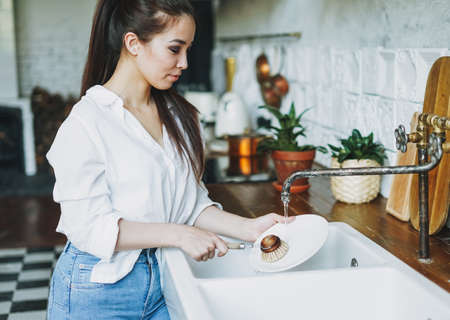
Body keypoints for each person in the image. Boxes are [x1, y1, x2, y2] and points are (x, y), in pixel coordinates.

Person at [46, 0, 294, 319]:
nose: (185, 62)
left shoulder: (179, 116)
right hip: (98, 289)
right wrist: (178, 234)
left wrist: (250, 228)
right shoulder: (86, 123)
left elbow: (189, 205)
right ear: (134, 43)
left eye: (188, 49)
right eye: (175, 49)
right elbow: (89, 228)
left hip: (166, 276)